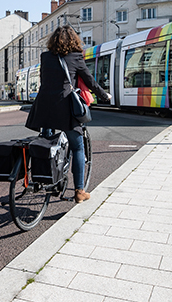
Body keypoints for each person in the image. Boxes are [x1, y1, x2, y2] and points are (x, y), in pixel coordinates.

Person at [26, 26, 111, 203]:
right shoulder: (76, 57)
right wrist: (105, 95)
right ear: (74, 40)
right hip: (66, 109)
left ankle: (44, 178)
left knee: (47, 144)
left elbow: (45, 82)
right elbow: (90, 81)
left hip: (44, 108)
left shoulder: (45, 57)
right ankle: (80, 191)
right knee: (78, 146)